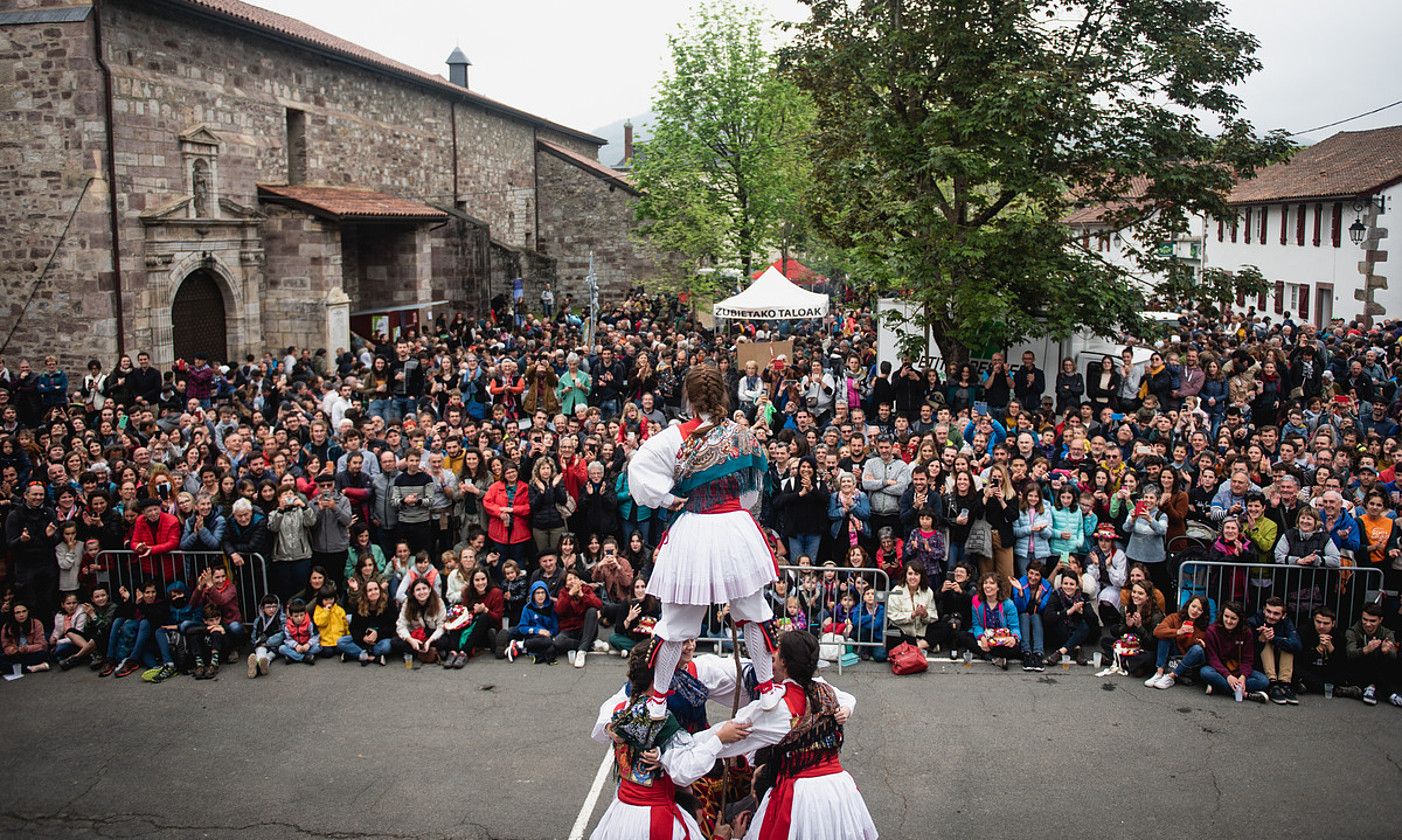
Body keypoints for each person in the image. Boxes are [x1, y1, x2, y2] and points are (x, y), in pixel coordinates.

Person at [627, 365, 781, 719]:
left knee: (677, 622)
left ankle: (657, 699)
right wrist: (736, 514)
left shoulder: (674, 437)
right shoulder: (743, 436)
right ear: (724, 396)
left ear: (690, 398)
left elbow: (638, 470)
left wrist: (667, 500)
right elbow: (754, 489)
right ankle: (768, 688)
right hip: (734, 527)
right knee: (753, 611)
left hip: (694, 527)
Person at [701, 631, 874, 840]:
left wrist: (695, 745)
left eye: (777, 651)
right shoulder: (826, 691)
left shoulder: (779, 706)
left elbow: (728, 738)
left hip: (802, 796)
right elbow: (846, 700)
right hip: (839, 790)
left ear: (783, 662)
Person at [588, 639, 753, 840]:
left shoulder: (621, 711)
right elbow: (685, 768)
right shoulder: (662, 718)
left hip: (624, 810)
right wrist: (719, 738)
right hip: (659, 809)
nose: (690, 646)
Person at [1200, 601, 1270, 702]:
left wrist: (1243, 677)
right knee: (1205, 672)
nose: (1228, 621)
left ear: (1239, 619)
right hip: (1219, 670)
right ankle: (1245, 694)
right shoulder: (1212, 631)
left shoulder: (1246, 633)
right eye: (1226, 616)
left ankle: (1219, 687)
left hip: (1238, 670)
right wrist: (1227, 676)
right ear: (1222, 615)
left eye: (1233, 618)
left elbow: (1248, 659)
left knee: (1264, 681)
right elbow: (1212, 658)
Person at [1341, 602, 1399, 707]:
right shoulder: (1352, 631)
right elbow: (1350, 654)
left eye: (1372, 621)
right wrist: (1366, 649)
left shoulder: (1387, 633)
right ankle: (1389, 693)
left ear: (1380, 620)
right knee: (1372, 652)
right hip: (1357, 668)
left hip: (1381, 668)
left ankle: (1371, 686)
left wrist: (1386, 651)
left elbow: (1394, 656)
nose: (1368, 624)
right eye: (1365, 620)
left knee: (1379, 652)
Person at [1147, 595, 1209, 689]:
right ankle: (1159, 672)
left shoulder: (1204, 627)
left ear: (1203, 613)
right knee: (1164, 636)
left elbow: (1201, 650)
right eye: (1193, 606)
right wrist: (1178, 631)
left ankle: (1171, 677)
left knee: (1197, 649)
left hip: (1188, 659)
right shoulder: (1175, 617)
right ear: (1188, 605)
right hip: (1174, 653)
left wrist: (1202, 643)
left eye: (1200, 609)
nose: (1195, 610)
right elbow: (1157, 631)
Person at [1249, 596, 1303, 704]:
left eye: (1276, 613)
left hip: (1281, 664)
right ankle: (1273, 684)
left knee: (1287, 645)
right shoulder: (1254, 620)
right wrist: (1260, 638)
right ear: (1264, 609)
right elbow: (1247, 649)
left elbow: (1297, 646)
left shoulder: (1287, 622)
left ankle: (1285, 684)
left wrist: (1275, 639)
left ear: (1283, 615)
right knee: (1267, 641)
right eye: (1268, 611)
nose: (1271, 616)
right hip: (1260, 665)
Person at [1010, 559, 1052, 671]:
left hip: (1039, 617)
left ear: (1041, 576)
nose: (1033, 577)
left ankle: (1038, 653)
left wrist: (1038, 600)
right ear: (1027, 573)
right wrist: (1020, 593)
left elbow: (1045, 609)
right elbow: (1019, 608)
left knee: (1035, 617)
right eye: (1031, 573)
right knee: (1024, 616)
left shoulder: (1046, 587)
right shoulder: (1020, 583)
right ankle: (1026, 652)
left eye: (1037, 575)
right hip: (1022, 616)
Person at [245, 593, 283, 677]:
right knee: (261, 652)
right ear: (262, 608)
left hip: (275, 646)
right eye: (268, 607)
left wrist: (267, 642)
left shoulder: (281, 618)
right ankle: (259, 667)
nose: (272, 609)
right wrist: (256, 643)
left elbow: (282, 634)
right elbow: (254, 636)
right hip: (261, 644)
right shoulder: (258, 620)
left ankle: (257, 667)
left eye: (274, 606)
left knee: (270, 656)